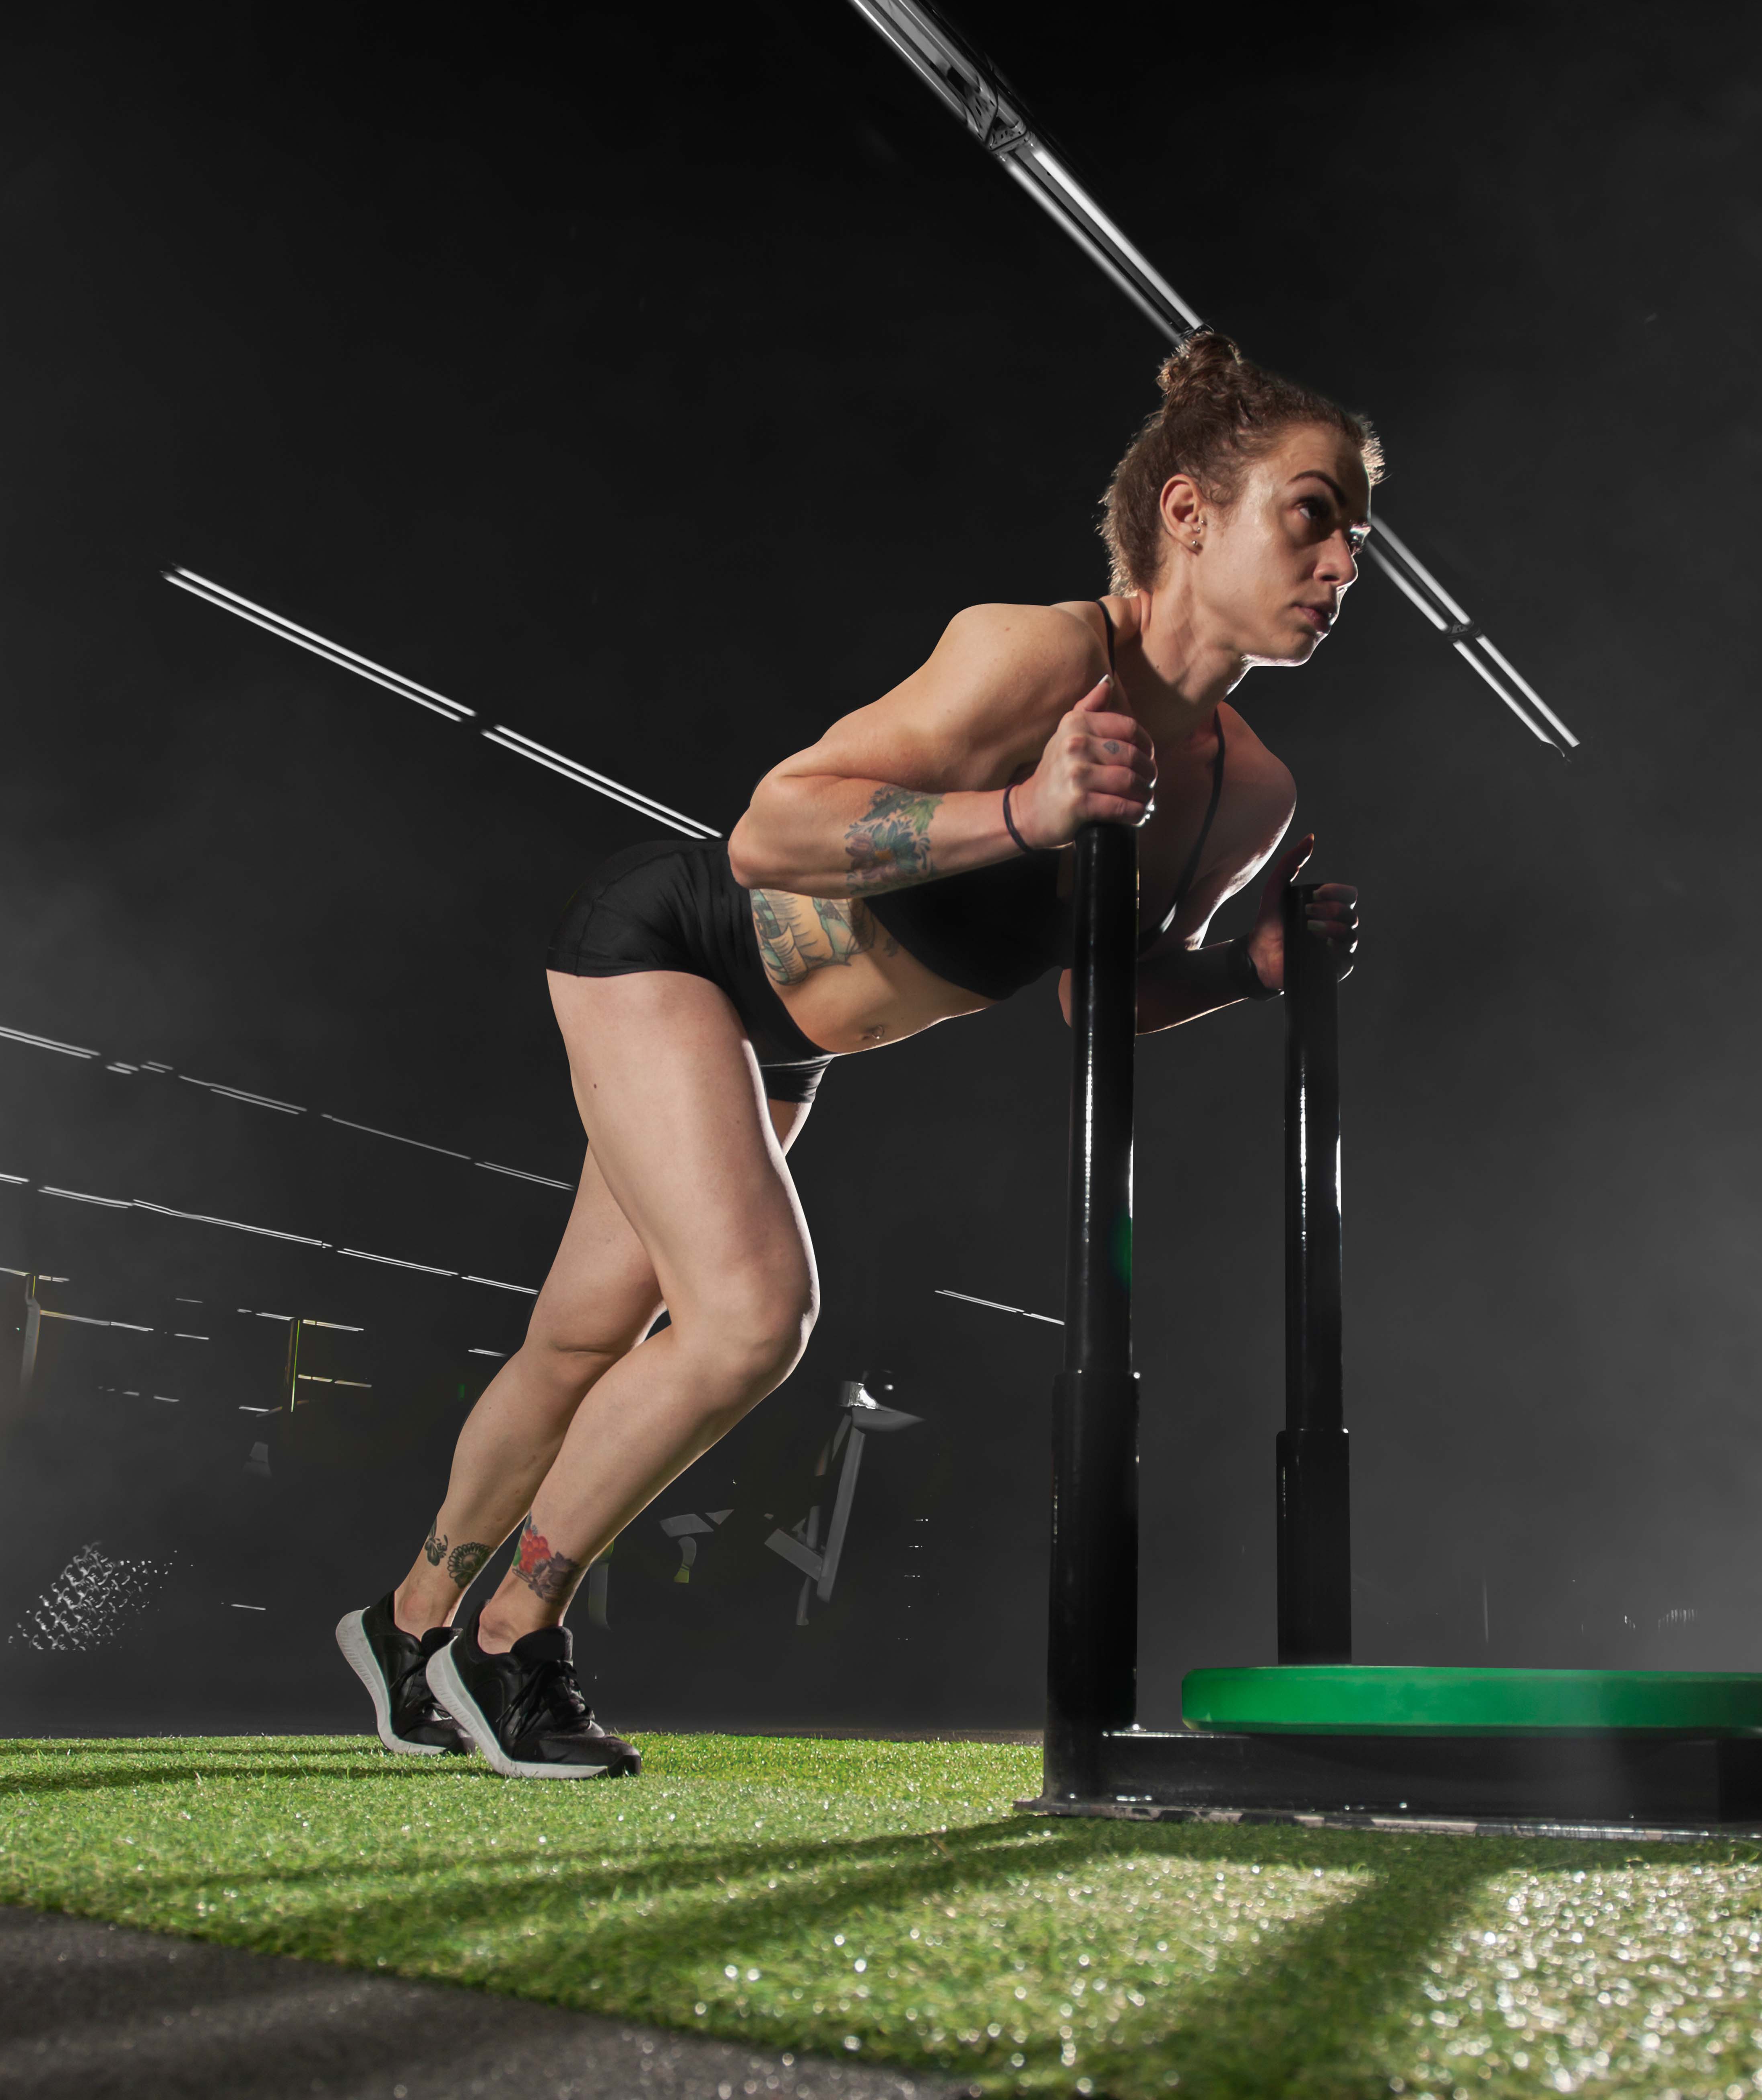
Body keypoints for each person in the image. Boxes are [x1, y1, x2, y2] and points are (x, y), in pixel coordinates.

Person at [335, 331, 1372, 1777]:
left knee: (583, 1340)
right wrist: (1025, 813)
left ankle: (402, 1630)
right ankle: (508, 1643)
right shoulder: (1040, 654)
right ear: (1191, 512)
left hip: (783, 1045)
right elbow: (774, 830)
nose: (1341, 567)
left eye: (1358, 540)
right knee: (754, 1319)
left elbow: (1098, 1002)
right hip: (675, 950)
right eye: (1311, 516)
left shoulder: (1248, 789)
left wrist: (1245, 975)